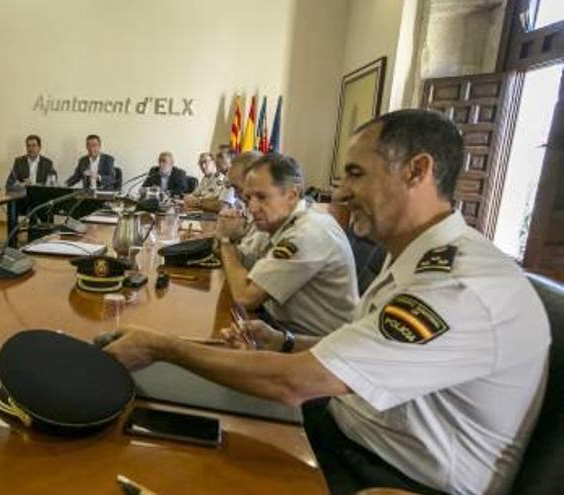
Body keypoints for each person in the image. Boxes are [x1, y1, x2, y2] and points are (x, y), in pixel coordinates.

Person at [104, 110, 550, 495]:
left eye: (356, 174)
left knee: (153, 455)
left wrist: (162, 346)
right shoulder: (415, 259)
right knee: (148, 410)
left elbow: (294, 384)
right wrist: (284, 342)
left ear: (417, 171)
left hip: (389, 475)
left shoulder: (457, 285)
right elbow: (359, 353)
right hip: (345, 426)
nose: (339, 193)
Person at [217, 153, 357, 336]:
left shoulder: (307, 232)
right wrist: (230, 239)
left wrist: (226, 242)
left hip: (317, 348)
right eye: (248, 198)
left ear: (292, 195)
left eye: (261, 197)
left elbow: (244, 297)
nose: (251, 207)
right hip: (280, 331)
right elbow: (245, 262)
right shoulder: (278, 222)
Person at [215, 151, 270, 269]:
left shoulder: (267, 214)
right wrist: (233, 237)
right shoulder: (250, 208)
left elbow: (249, 265)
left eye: (236, 188)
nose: (235, 195)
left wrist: (224, 239)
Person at [5, 135, 57, 241]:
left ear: (39, 147)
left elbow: (52, 185)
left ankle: (35, 240)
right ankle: (12, 242)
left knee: (37, 205)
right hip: (22, 200)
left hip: (40, 200)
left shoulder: (47, 163)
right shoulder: (19, 162)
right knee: (12, 204)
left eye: (34, 145)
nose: (31, 149)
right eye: (28, 146)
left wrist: (34, 184)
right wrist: (20, 184)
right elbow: (9, 183)